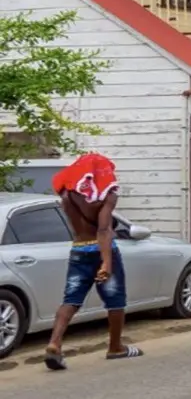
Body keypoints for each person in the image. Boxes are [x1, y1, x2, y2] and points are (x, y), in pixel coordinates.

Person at [43, 153, 143, 371]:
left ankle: (55, 343)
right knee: (115, 300)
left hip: (79, 249)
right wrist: (106, 263)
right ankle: (115, 348)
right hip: (103, 250)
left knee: (71, 299)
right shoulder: (107, 196)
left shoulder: (67, 194)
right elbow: (104, 229)